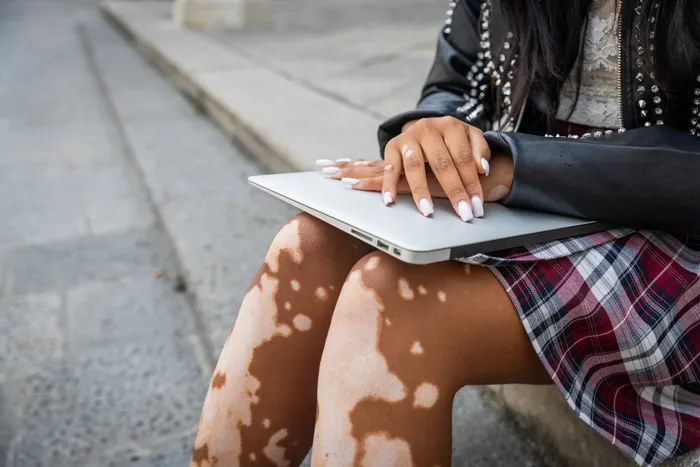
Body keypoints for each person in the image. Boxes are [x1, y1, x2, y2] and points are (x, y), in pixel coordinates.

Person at [190, 0, 700, 466]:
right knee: (303, 248)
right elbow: (455, 85)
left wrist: (517, 168)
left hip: (670, 230)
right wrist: (433, 135)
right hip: (531, 201)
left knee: (389, 301)